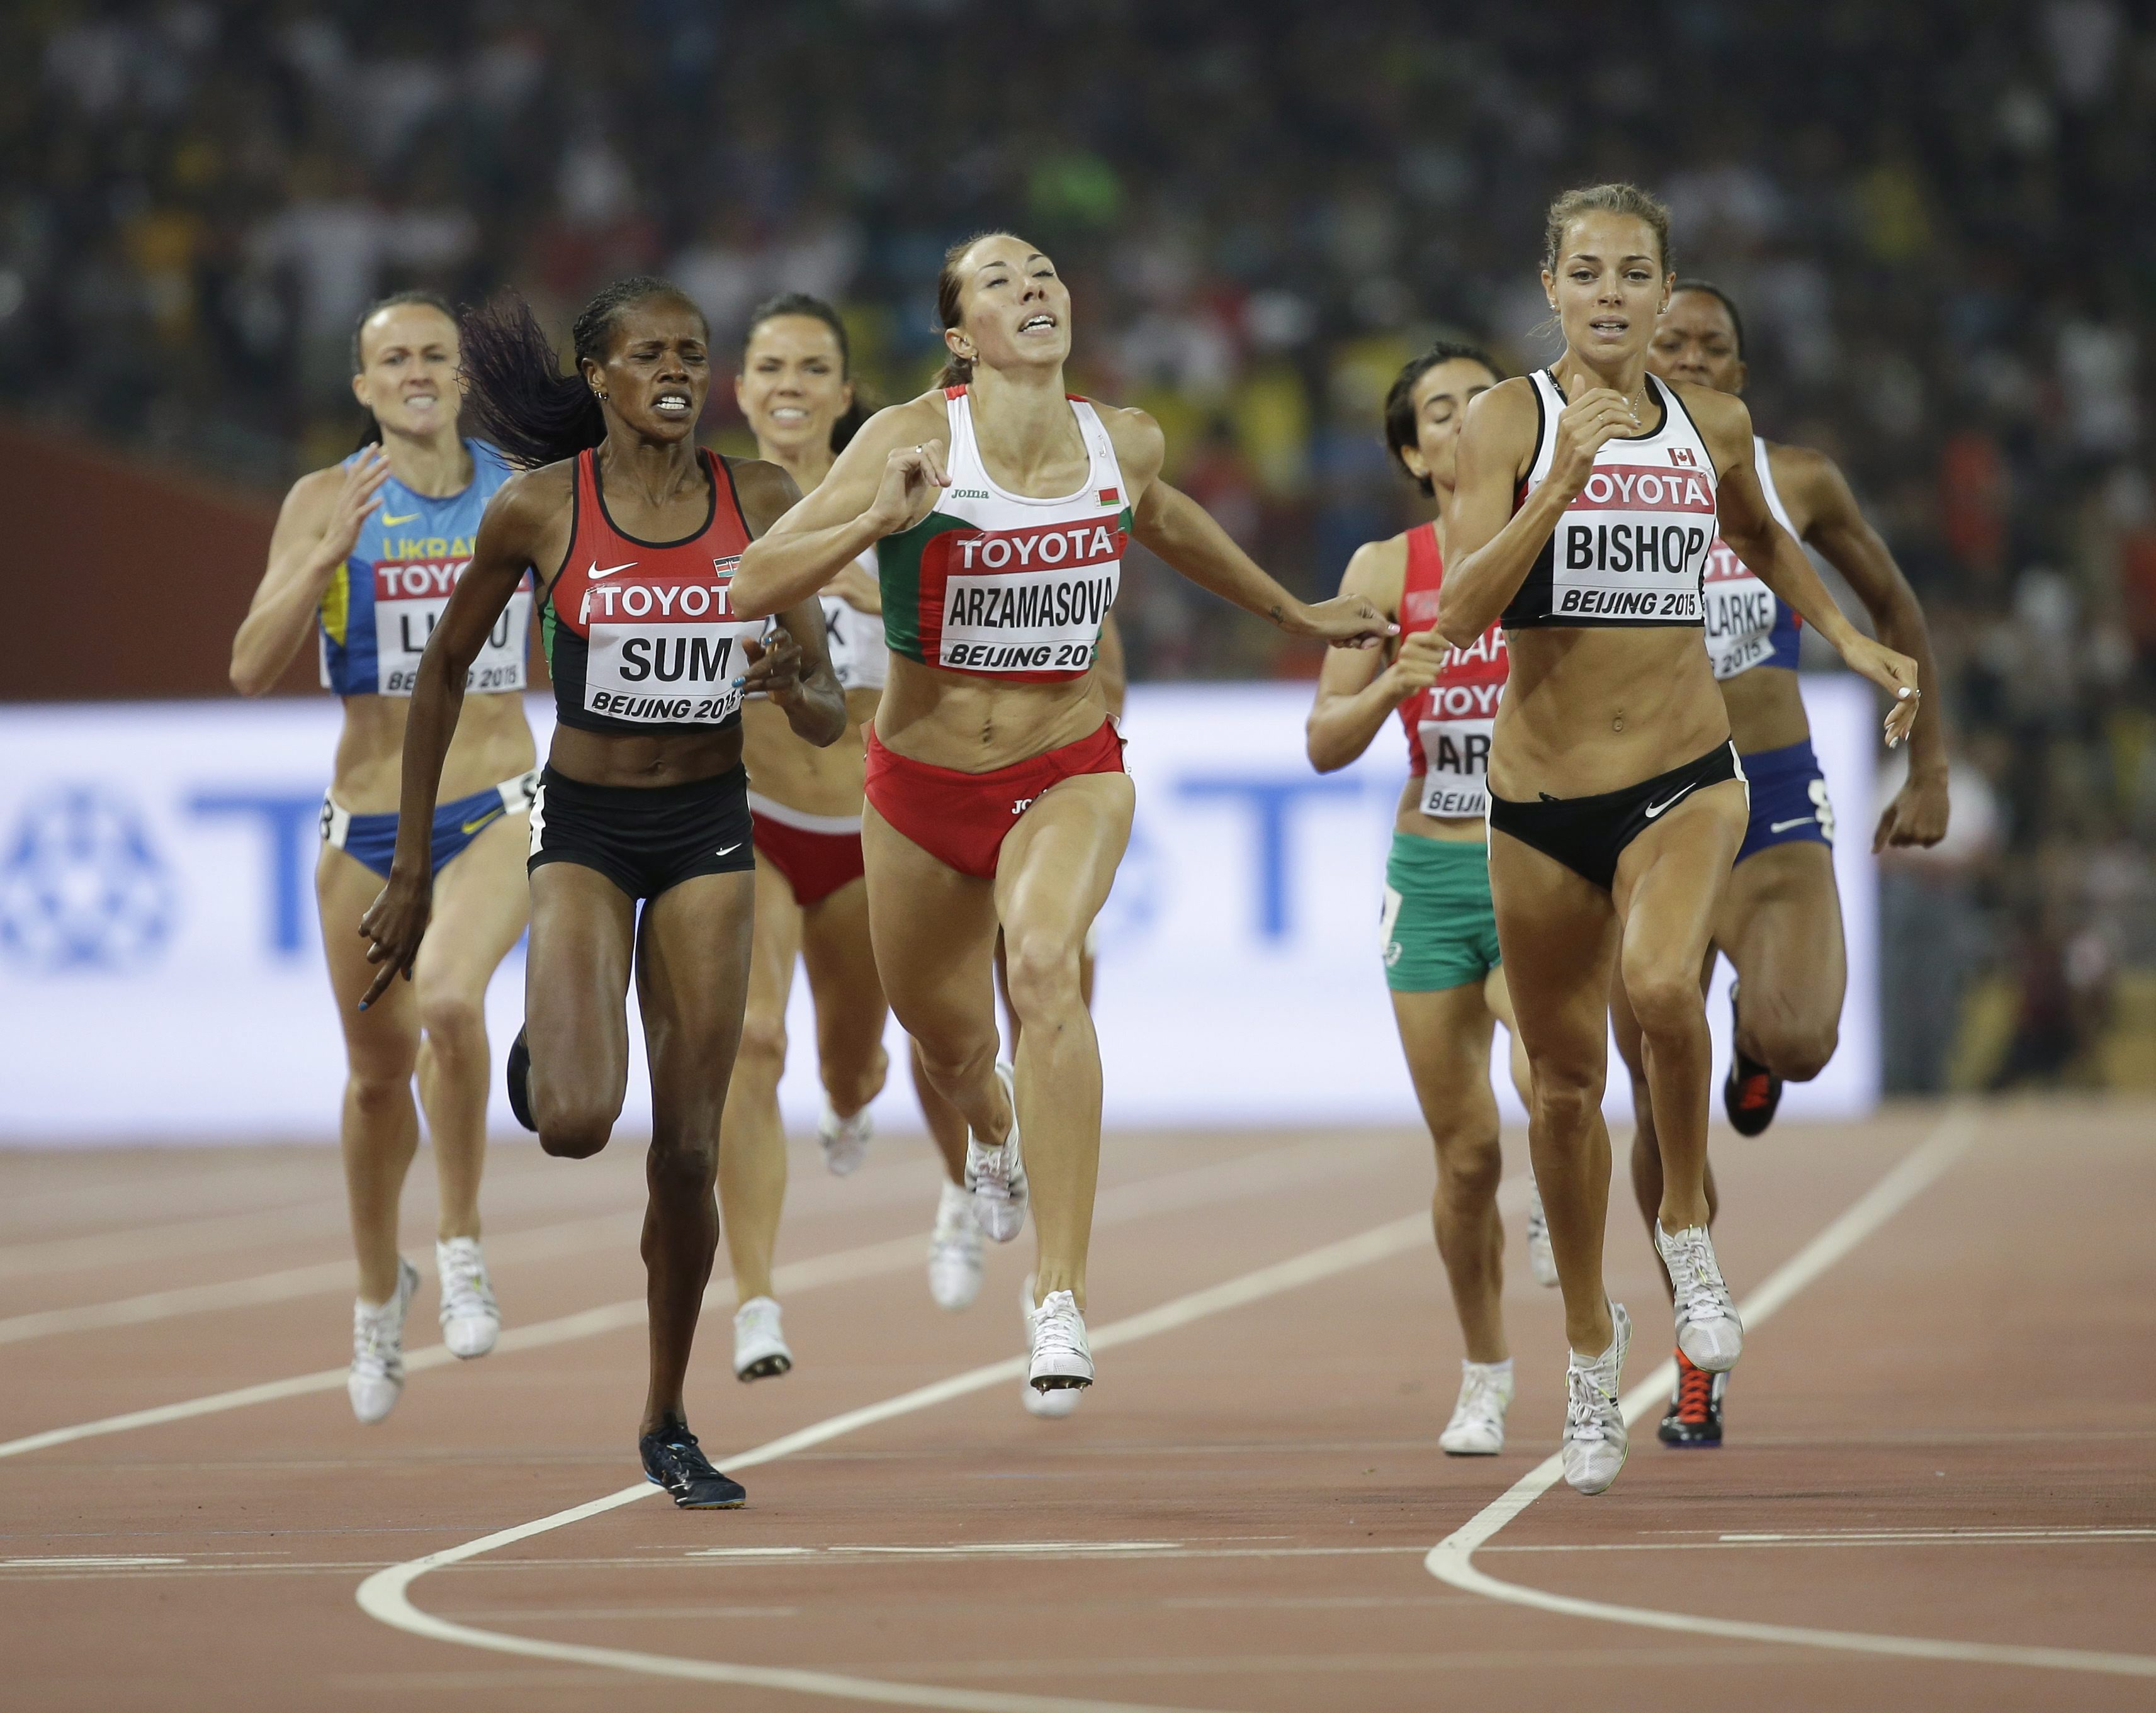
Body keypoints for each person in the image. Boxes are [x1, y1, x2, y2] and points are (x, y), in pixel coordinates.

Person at [728, 232, 1390, 1413]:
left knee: (1041, 968)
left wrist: (1294, 608)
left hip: (1066, 768)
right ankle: (986, 1131)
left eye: (1042, 273)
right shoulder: (909, 440)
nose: (1032, 289)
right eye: (998, 281)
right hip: (920, 791)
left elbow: (1167, 516)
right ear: (955, 334)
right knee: (944, 1044)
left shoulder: (1121, 439)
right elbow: (749, 584)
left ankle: (1060, 1295)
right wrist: (872, 520)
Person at [1440, 184, 1919, 1495]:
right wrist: (1560, 487)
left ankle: (1691, 1233)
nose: (1610, 293)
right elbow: (1461, 609)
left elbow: (1767, 545)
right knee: (1559, 1091)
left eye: (1634, 273)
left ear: (1664, 292)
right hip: (1541, 799)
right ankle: (1592, 1355)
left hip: (1687, 775)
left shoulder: (1716, 424)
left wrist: (1853, 639)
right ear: (1550, 287)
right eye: (1586, 271)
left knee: (1658, 986)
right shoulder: (1504, 420)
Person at [356, 278, 846, 1508]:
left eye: (693, 350)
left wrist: (796, 684)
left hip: (707, 831)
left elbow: (832, 710)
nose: (676, 368)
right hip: (583, 826)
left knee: (685, 1151)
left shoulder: (764, 501)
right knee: (576, 1119)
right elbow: (443, 675)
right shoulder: (537, 508)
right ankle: (558, 1029)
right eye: (649, 353)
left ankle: (668, 1415)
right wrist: (413, 869)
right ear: (602, 377)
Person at [1621, 280, 1951, 1447]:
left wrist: (1926, 769)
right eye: (1673, 343)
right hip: (1638, 808)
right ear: (1633, 351)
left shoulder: (1793, 477)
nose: (1695, 357)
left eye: (1714, 346)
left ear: (1743, 374)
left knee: (1803, 1035)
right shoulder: (1587, 473)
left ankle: (1755, 1052)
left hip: (1766, 794)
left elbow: (1895, 604)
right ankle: (1692, 1353)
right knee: (1660, 1121)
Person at [230, 291, 531, 1426]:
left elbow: (599, 619)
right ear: (361, 386)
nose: (416, 372)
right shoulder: (324, 499)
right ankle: (375, 1292)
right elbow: (250, 667)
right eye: (392, 358)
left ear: (463, 378)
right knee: (372, 1073)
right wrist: (319, 561)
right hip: (362, 825)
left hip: (494, 803)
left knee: (453, 1000)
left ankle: (459, 1241)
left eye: (435, 357)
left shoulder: (520, 492)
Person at [1306, 341, 1540, 1456]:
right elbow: (1321, 741)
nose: (1463, 423)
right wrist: (1390, 681)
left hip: (1537, 857)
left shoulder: (1551, 537)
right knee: (1464, 1155)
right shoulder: (1379, 571)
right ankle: (1484, 1368)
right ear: (1412, 450)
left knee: (1551, 1071)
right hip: (1430, 871)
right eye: (1439, 412)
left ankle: (1569, 1194)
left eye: (1481, 404)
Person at [716, 293, 893, 1384]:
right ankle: (756, 1301)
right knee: (751, 1040)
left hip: (872, 830)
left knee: (849, 1059)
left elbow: (928, 628)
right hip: (752, 819)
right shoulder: (708, 506)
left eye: (810, 366)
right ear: (739, 390)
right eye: (768, 365)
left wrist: (822, 552)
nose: (788, 382)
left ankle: (850, 1100)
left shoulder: (893, 493)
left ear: (842, 390)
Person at [910, 607, 1125, 1419]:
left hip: (1049, 808)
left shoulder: (1066, 556)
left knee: (1049, 1007)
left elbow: (1111, 690)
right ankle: (971, 1165)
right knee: (943, 1026)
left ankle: (1051, 1294)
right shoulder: (908, 537)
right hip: (946, 804)